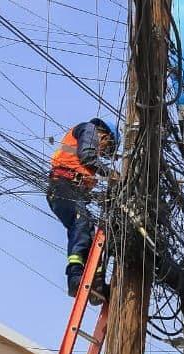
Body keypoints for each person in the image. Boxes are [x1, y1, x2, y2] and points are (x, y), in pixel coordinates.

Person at [48, 117, 120, 303]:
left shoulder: (87, 145)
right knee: (82, 224)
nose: (103, 151)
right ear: (105, 135)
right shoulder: (89, 129)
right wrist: (111, 174)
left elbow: (83, 176)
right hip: (63, 185)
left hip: (68, 189)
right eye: (107, 147)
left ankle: (95, 281)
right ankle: (75, 278)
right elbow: (87, 156)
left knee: (87, 231)